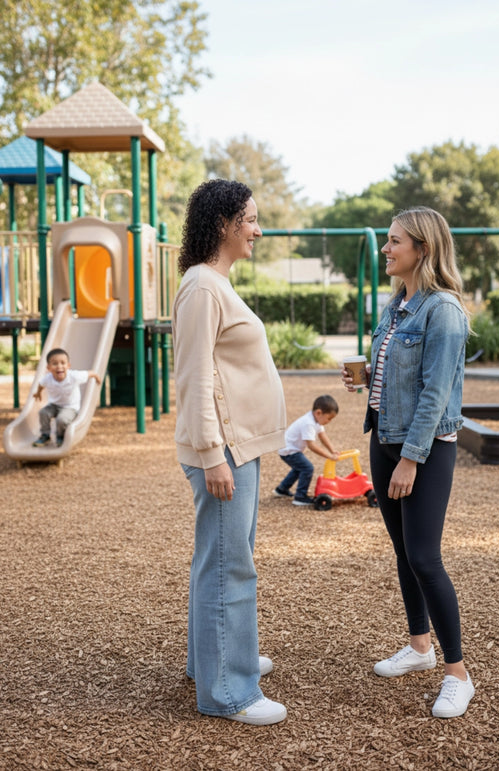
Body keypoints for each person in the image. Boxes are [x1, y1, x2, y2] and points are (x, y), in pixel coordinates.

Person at [343, 206, 475, 719]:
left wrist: (411, 459)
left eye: (395, 240)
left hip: (424, 448)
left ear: (423, 248)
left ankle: (458, 674)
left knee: (424, 557)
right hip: (384, 437)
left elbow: (436, 393)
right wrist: (365, 379)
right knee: (404, 551)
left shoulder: (443, 310)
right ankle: (420, 647)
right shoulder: (397, 303)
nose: (386, 248)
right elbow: (397, 374)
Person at [172, 179, 288, 726]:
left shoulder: (212, 282)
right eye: (251, 220)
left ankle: (214, 660)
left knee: (219, 560)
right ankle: (228, 690)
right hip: (225, 451)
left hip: (236, 446)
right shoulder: (203, 287)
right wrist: (212, 453)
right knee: (230, 568)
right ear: (224, 224)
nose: (257, 231)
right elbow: (194, 377)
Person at [274, 394, 339, 505]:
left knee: (298, 468)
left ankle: (281, 489)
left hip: (290, 449)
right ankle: (300, 497)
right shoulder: (308, 423)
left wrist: (332, 450)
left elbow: (322, 436)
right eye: (329, 418)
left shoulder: (316, 420)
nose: (329, 421)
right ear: (318, 413)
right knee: (307, 468)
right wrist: (329, 456)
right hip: (289, 451)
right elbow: (311, 445)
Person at [32, 348, 101, 447]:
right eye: (55, 364)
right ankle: (45, 435)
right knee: (43, 413)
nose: (59, 366)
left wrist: (97, 377)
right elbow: (41, 384)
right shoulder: (47, 378)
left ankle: (60, 436)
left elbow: (90, 373)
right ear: (48, 367)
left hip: (70, 407)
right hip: (54, 405)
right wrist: (38, 393)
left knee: (61, 420)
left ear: (68, 366)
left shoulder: (74, 376)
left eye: (63, 363)